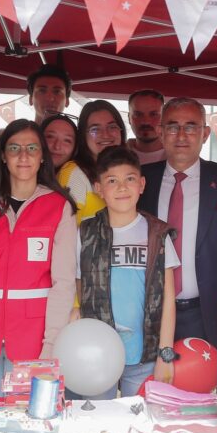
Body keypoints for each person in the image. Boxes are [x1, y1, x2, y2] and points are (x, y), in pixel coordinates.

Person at [0, 119, 77, 413]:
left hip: (34, 340)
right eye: (14, 148)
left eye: (31, 148)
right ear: (3, 155)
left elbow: (63, 283)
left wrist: (50, 347)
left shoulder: (58, 205)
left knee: (29, 427)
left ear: (42, 156)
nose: (23, 156)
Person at [139, 97, 217, 344]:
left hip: (207, 312)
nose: (181, 135)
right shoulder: (141, 180)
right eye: (172, 126)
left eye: (190, 126)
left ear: (205, 133)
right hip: (149, 312)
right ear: (160, 131)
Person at [77, 146, 177, 397]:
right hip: (97, 353)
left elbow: (168, 300)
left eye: (129, 179)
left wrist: (165, 353)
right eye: (112, 180)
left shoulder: (157, 234)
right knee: (97, 421)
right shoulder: (85, 233)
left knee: (139, 420)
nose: (122, 187)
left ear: (142, 185)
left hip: (144, 354)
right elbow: (77, 290)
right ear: (98, 188)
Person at [44, 113, 105, 224]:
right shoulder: (73, 173)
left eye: (67, 140)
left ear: (75, 148)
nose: (57, 146)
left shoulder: (77, 174)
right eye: (50, 137)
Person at [127, 89, 167, 164]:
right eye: (138, 114)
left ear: (164, 117)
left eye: (154, 114)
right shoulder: (116, 157)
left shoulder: (180, 158)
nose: (146, 121)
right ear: (129, 118)